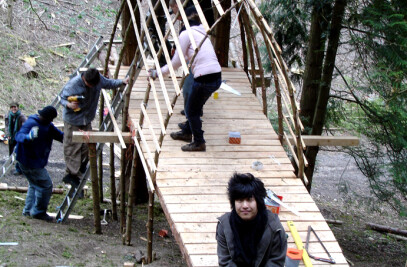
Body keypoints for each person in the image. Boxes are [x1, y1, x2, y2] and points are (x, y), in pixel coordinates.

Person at [149, 6, 221, 151]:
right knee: (194, 105)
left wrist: (157, 73)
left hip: (204, 78)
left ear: (184, 21)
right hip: (216, 76)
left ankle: (199, 142)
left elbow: (176, 63)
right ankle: (188, 132)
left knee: (191, 110)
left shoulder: (186, 34)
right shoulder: (202, 33)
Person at [59, 68, 129, 187]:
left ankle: (78, 170)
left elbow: (108, 83)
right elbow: (61, 98)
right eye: (89, 85)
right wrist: (69, 104)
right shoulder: (73, 85)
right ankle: (71, 175)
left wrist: (122, 82)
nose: (91, 87)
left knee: (87, 146)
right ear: (84, 78)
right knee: (72, 148)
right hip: (73, 120)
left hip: (86, 119)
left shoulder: (98, 79)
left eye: (93, 85)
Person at [216, 173, 287, 266]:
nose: (245, 206)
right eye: (240, 200)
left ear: (258, 201)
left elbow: (276, 262)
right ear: (233, 202)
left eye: (250, 200)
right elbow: (225, 262)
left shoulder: (274, 227)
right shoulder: (224, 225)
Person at [15, 106, 63, 222]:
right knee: (46, 185)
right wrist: (28, 137)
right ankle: (38, 212)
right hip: (28, 162)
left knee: (34, 184)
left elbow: (61, 136)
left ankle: (28, 210)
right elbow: (19, 136)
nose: (51, 121)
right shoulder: (31, 123)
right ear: (46, 117)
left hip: (34, 161)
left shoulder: (48, 125)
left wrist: (73, 138)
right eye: (50, 119)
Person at [4, 101, 27, 175]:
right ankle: (13, 165)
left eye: (15, 107)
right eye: (12, 107)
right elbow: (7, 126)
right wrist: (8, 134)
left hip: (19, 136)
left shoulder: (22, 116)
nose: (13, 108)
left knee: (18, 152)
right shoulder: (8, 115)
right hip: (11, 136)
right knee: (11, 152)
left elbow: (25, 127)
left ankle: (19, 169)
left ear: (18, 108)